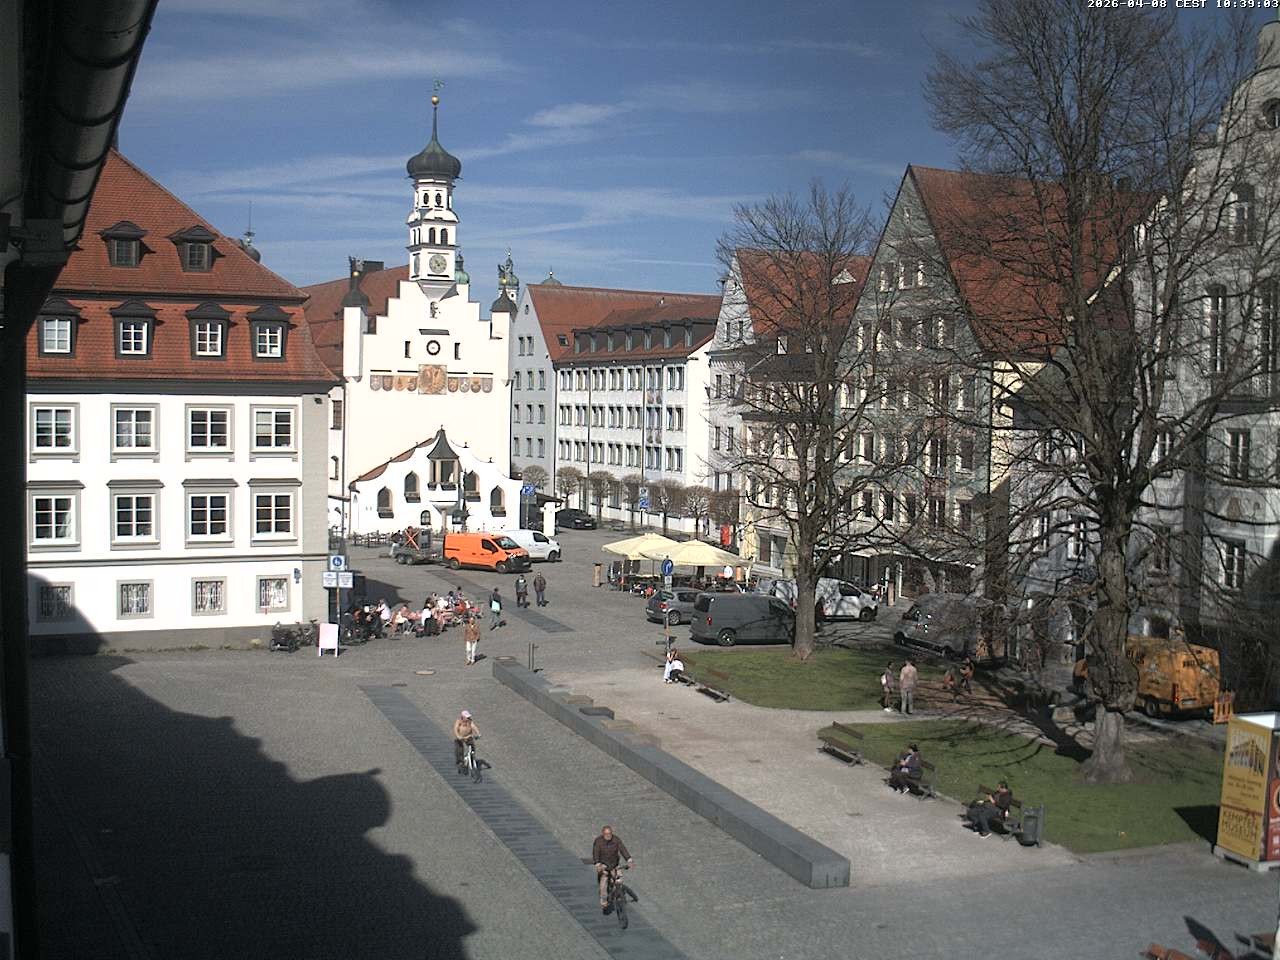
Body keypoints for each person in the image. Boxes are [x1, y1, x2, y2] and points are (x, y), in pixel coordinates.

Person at [591, 825, 634, 912]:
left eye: (610, 834)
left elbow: (622, 849)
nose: (608, 836)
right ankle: (604, 900)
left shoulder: (616, 840)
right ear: (603, 834)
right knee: (604, 883)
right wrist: (598, 864)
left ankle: (619, 894)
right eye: (606, 834)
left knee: (619, 880)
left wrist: (629, 860)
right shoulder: (598, 841)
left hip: (614, 864)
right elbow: (595, 853)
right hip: (604, 865)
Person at [453, 710, 479, 774]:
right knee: (459, 751)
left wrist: (478, 733)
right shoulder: (458, 721)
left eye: (468, 717)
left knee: (472, 749)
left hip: (468, 737)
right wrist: (458, 736)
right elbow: (455, 729)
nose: (468, 718)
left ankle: (471, 759)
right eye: (467, 717)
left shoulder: (470, 721)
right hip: (460, 738)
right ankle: (460, 763)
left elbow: (473, 726)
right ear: (462, 717)